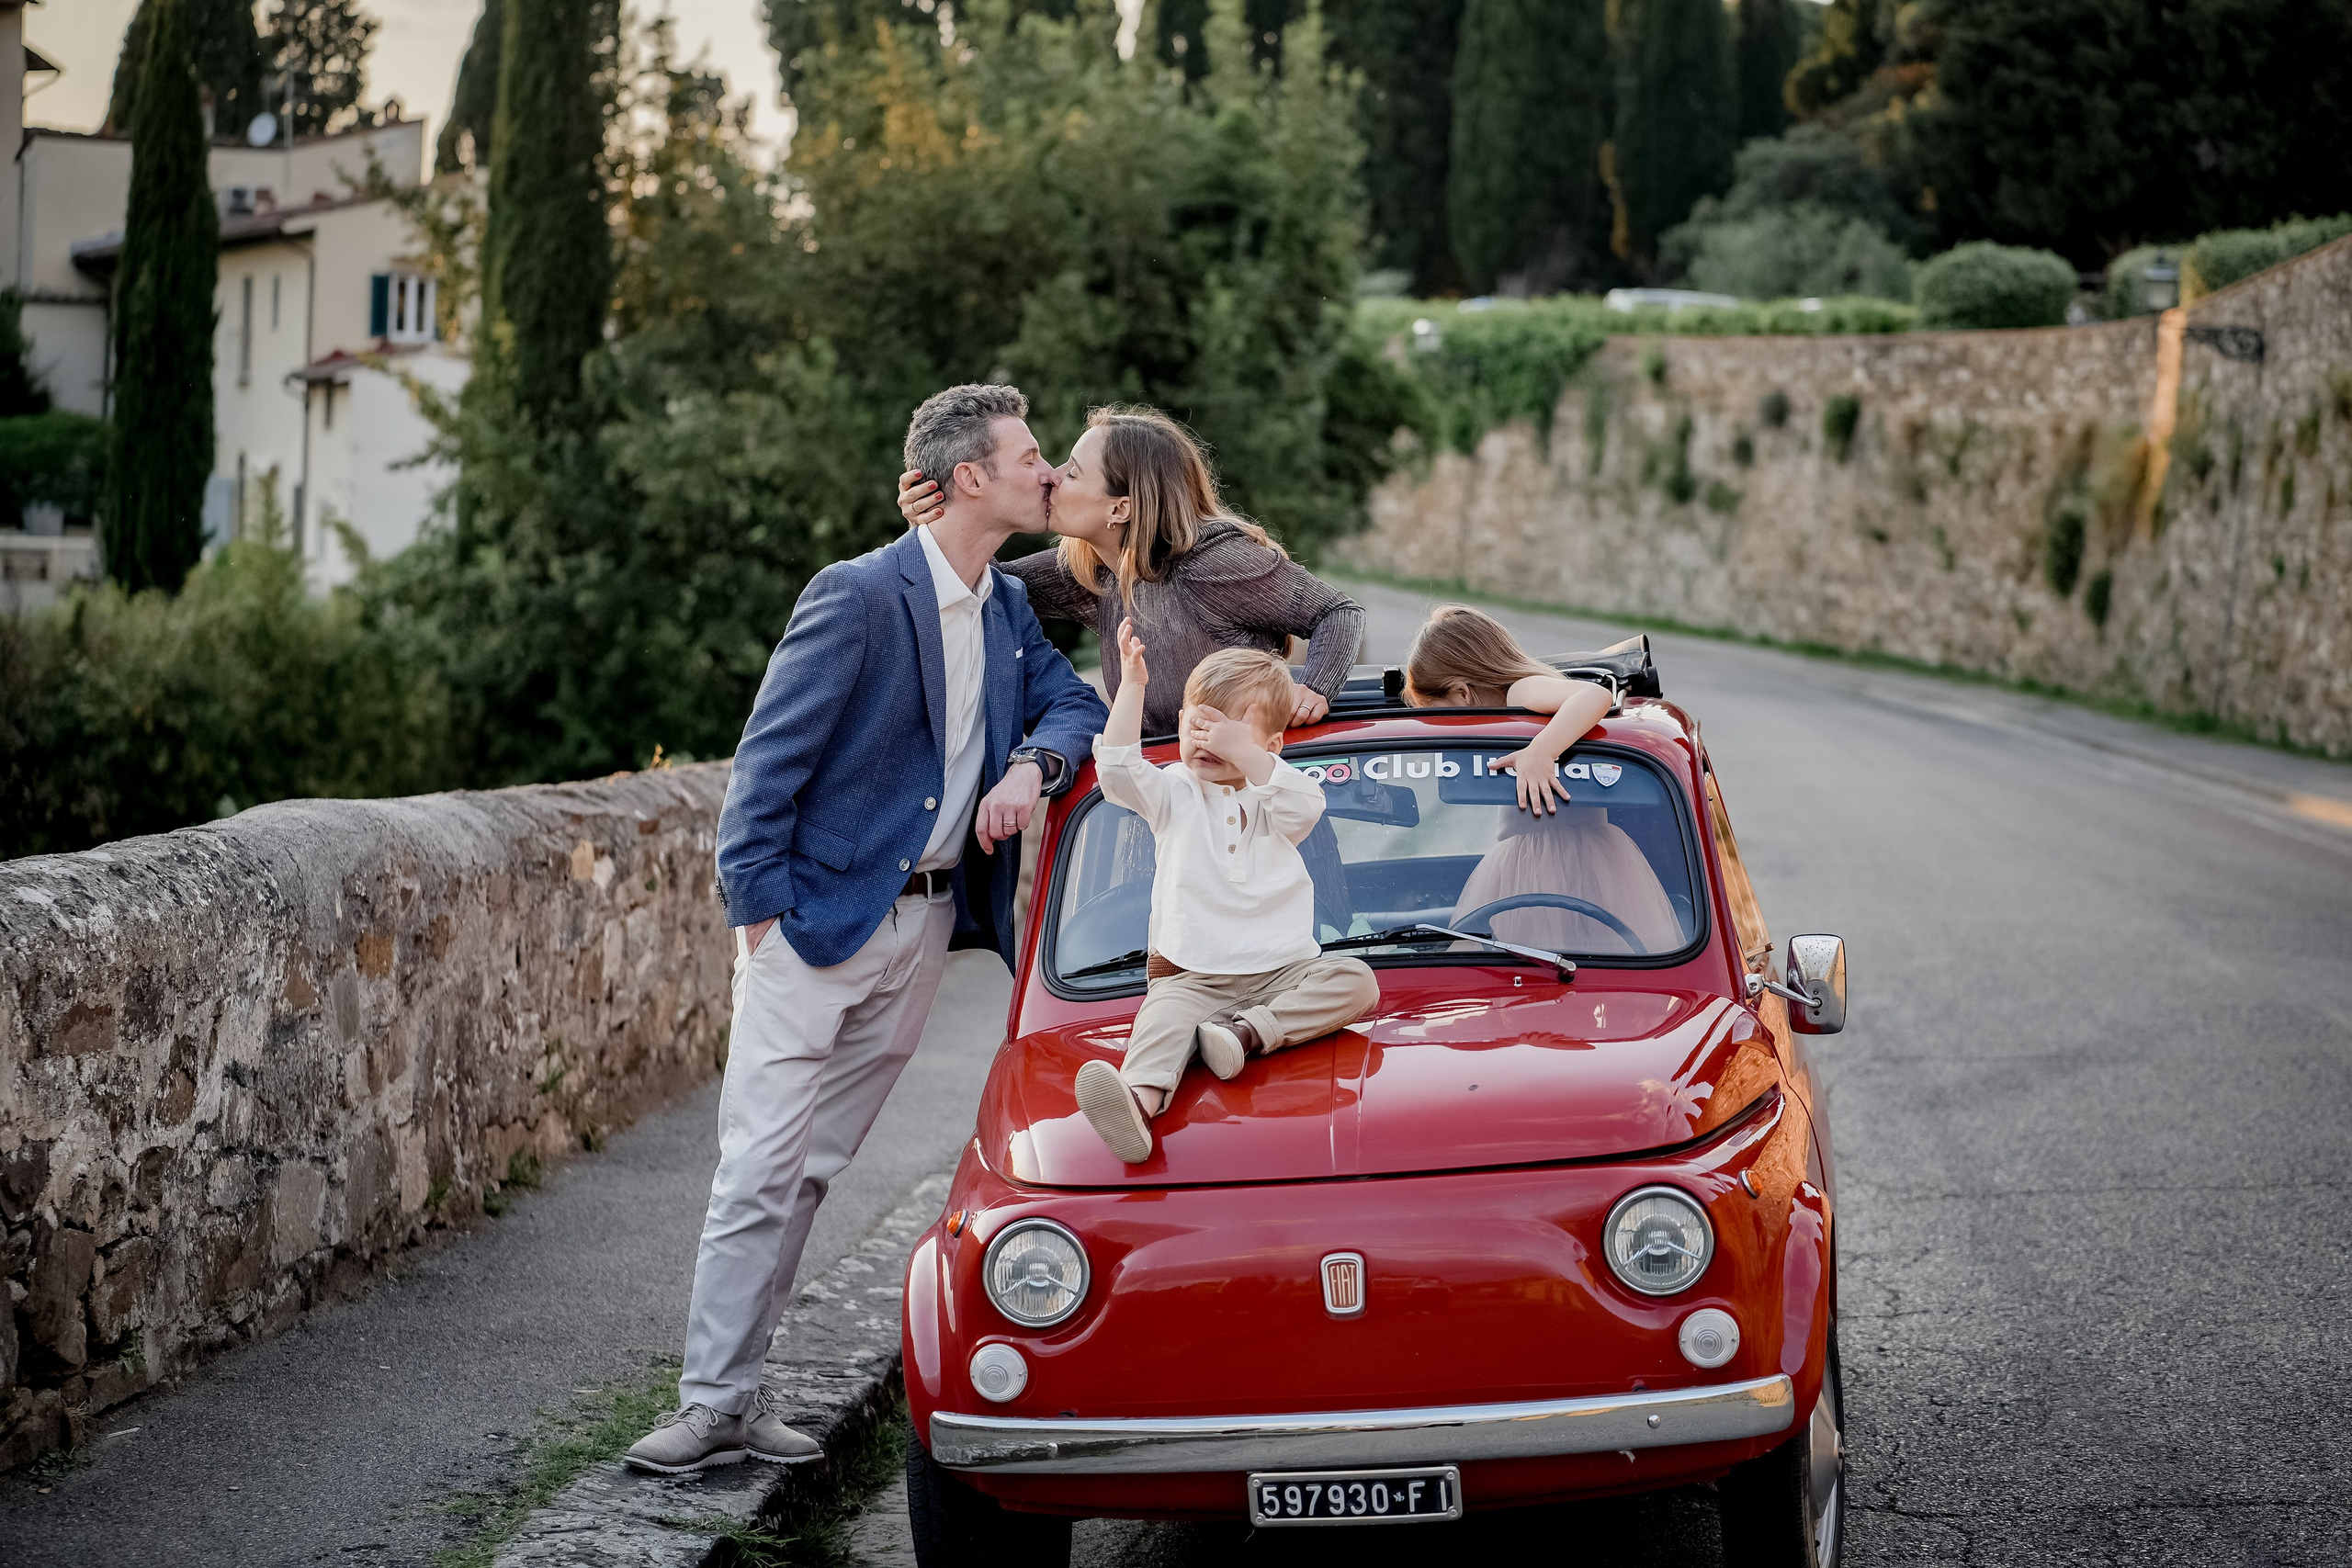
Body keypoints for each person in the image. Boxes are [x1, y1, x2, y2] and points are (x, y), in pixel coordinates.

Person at [626, 384, 1109, 1474]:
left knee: (814, 1168)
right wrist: (759, 920)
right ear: (971, 477)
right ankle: (709, 1404)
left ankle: (742, 1396)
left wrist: (1033, 768)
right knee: (758, 1165)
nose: (1048, 470)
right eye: (1031, 455)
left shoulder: (1002, 607)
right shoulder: (854, 595)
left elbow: (1070, 705)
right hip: (813, 928)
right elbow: (766, 766)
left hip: (926, 934)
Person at [1074, 625, 1378, 1164]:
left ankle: (1245, 1035)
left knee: (1357, 982)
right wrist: (1133, 687)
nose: (1207, 741)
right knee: (1160, 1021)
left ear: (1270, 747)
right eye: (1199, 726)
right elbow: (1118, 771)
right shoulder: (1174, 794)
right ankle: (1136, 1105)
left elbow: (1304, 805)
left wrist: (1249, 755)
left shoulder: (1275, 798)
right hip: (1194, 975)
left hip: (1283, 972)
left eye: (1228, 732)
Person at [897, 405, 1363, 734]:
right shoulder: (1088, 572)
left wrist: (1317, 688)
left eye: (1074, 472)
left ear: (1119, 509)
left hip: (1251, 813)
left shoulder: (1214, 563)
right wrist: (939, 516)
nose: (1053, 475)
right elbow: (980, 581)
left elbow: (1338, 612)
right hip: (1167, 810)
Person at [1402, 604, 1679, 955]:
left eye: (1435, 713)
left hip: (1575, 860)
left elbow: (1595, 695)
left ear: (1461, 692)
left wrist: (1541, 751)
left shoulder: (1518, 692)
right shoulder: (1504, 716)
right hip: (1535, 859)